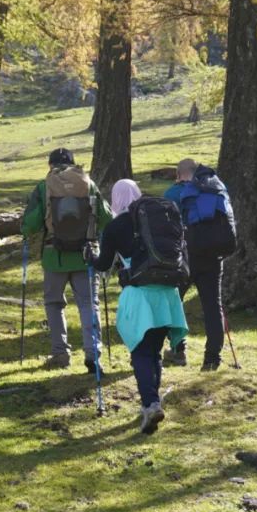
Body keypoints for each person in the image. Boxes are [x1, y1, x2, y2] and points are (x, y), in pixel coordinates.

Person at [86, 179, 189, 435]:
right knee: (154, 349)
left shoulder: (115, 226)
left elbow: (103, 264)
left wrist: (90, 256)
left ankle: (150, 403)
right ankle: (152, 401)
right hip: (167, 293)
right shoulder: (161, 221)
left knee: (140, 352)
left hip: (140, 295)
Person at [21, 148, 113, 373]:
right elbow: (106, 218)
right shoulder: (87, 183)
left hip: (55, 256)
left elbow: (31, 223)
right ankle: (93, 354)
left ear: (50, 164)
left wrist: (25, 228)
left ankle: (60, 352)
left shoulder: (44, 187)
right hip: (86, 255)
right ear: (73, 163)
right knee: (88, 304)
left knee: (54, 304)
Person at [162, 158, 236, 371]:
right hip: (213, 256)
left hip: (185, 256)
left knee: (175, 301)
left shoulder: (173, 194)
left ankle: (178, 350)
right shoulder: (216, 189)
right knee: (213, 306)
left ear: (178, 175)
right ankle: (212, 358)